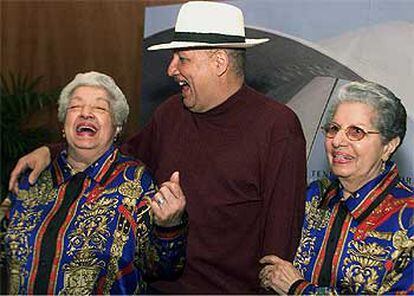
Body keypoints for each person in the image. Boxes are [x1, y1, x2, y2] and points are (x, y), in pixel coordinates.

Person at [8, 2, 307, 293]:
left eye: (182, 58)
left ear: (219, 62)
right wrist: (54, 151)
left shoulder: (277, 128)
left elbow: (279, 250)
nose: (170, 69)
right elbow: (116, 158)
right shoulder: (170, 113)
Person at [2, 71, 187, 294]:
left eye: (100, 108)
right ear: (63, 124)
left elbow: (162, 268)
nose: (86, 113)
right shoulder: (32, 178)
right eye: (75, 107)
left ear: (117, 127)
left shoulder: (136, 183)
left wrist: (169, 226)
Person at [259, 81, 414, 294]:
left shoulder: (408, 219)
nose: (338, 141)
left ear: (389, 146)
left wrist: (299, 289)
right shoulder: (313, 196)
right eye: (334, 129)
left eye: (356, 132)